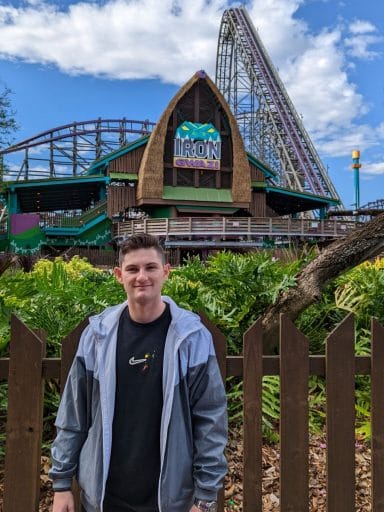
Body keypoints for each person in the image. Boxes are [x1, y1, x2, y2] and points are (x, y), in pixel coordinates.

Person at [49, 234, 227, 512]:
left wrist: (205, 497)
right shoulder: (98, 336)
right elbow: (74, 413)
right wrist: (61, 483)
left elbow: (210, 420)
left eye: (150, 267)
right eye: (132, 269)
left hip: (168, 499)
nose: (141, 276)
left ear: (166, 272)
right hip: (105, 497)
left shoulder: (191, 338)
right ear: (119, 275)